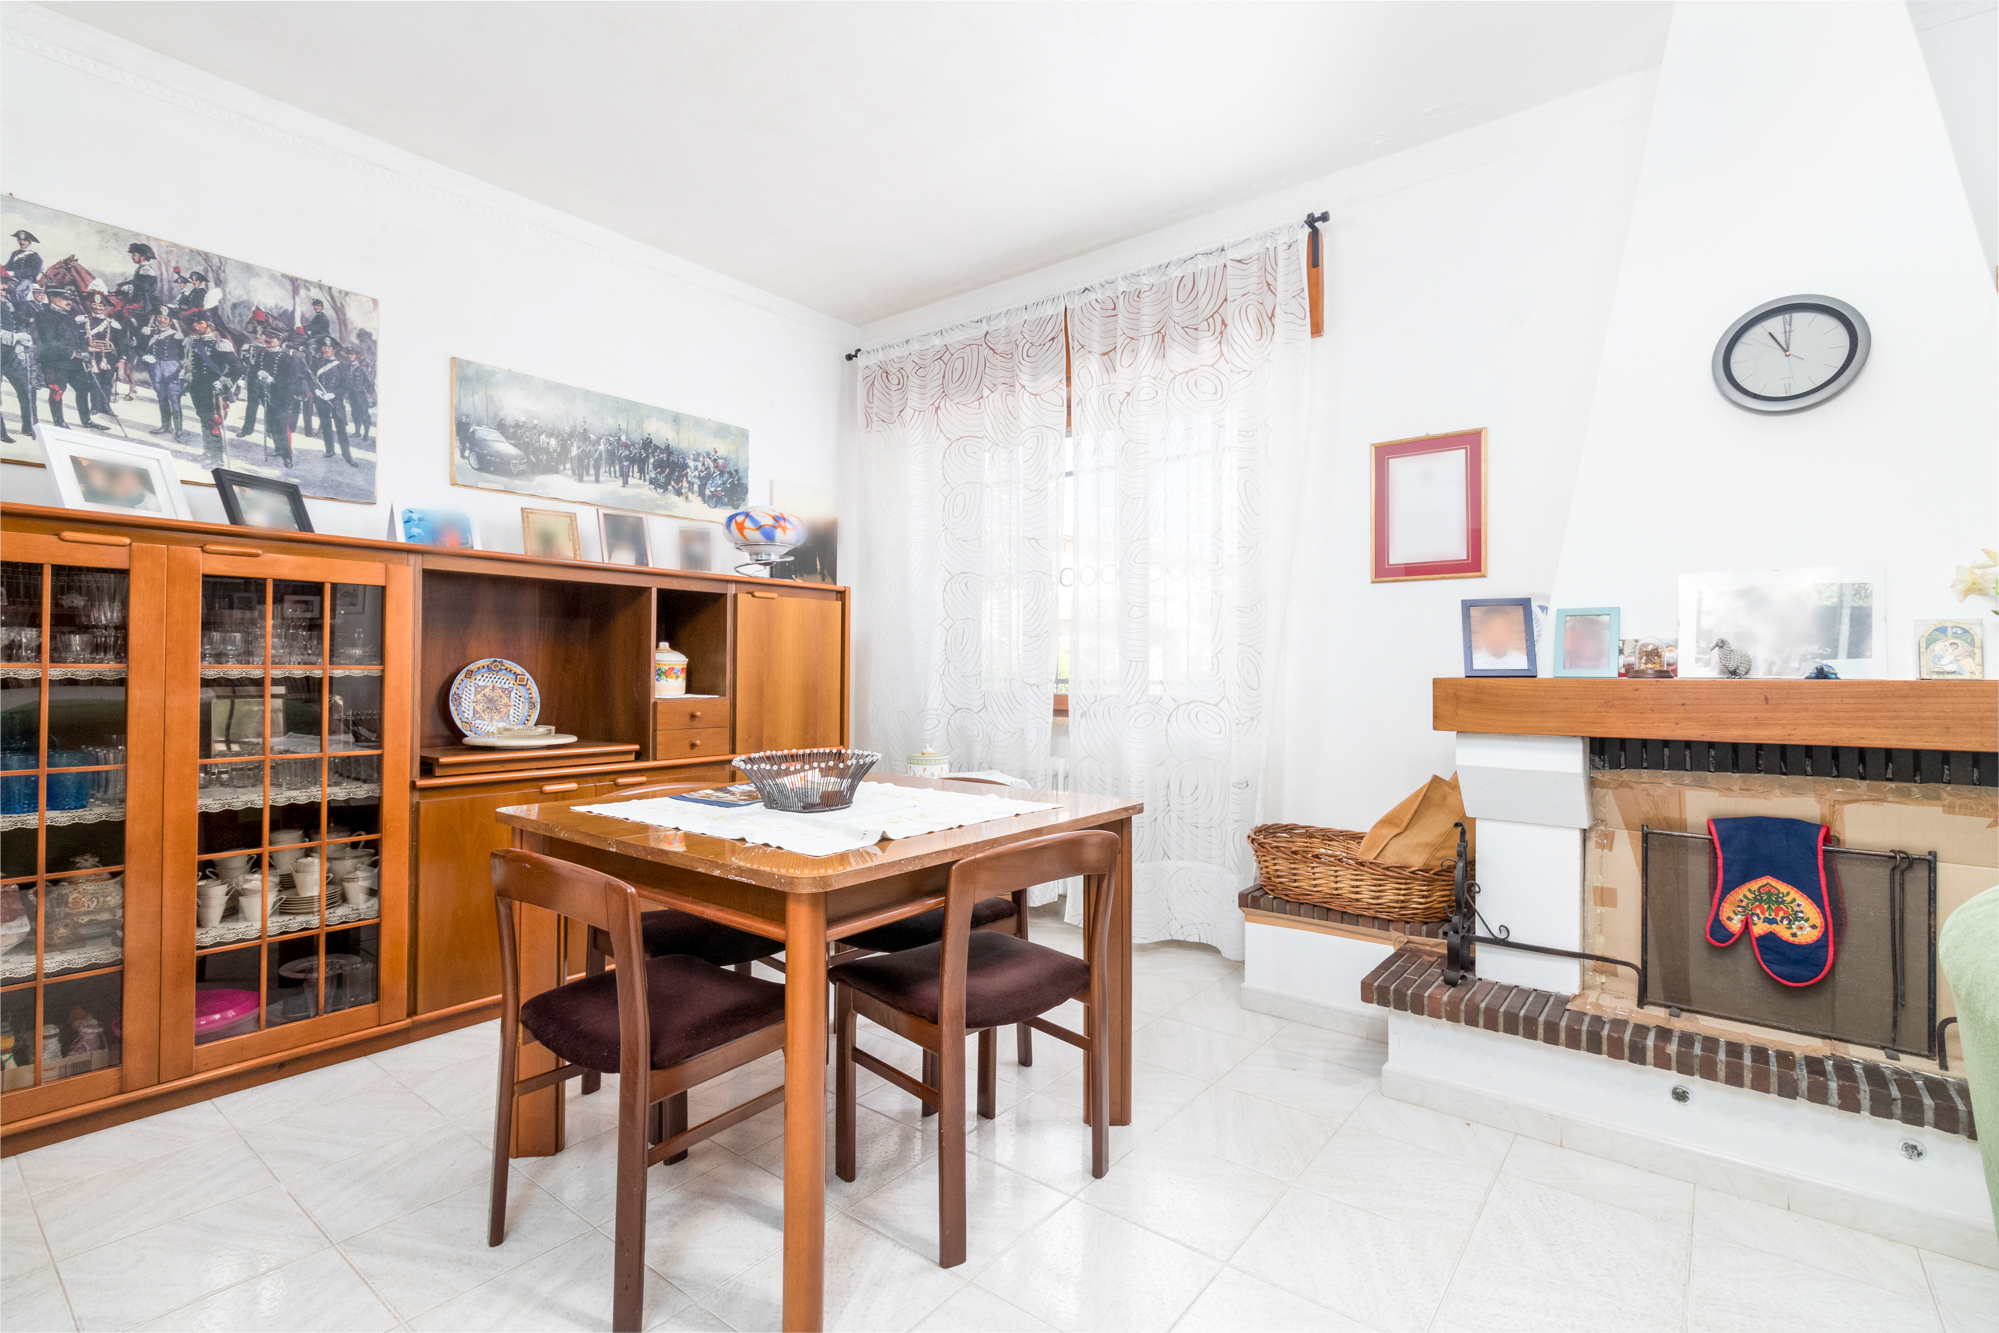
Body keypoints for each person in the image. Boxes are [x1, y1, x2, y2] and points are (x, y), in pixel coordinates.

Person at [34, 287, 102, 431]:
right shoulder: (44, 315)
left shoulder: (70, 315)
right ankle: (59, 422)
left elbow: (79, 337)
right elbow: (49, 341)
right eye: (64, 298)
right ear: (52, 298)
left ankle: (86, 420)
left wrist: (84, 352)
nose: (69, 302)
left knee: (83, 388)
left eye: (69, 299)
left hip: (75, 362)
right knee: (57, 390)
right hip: (54, 362)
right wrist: (73, 353)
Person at [182, 310, 238, 463]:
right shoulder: (193, 342)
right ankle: (208, 452)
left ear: (209, 324)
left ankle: (217, 458)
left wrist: (223, 381)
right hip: (197, 388)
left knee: (213, 422)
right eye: (193, 323)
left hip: (214, 390)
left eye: (199, 322)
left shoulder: (220, 344)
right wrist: (188, 373)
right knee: (203, 419)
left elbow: (238, 368)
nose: (195, 325)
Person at [242, 326, 296, 465]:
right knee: (271, 424)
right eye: (267, 337)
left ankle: (287, 456)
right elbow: (254, 368)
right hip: (267, 394)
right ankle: (278, 449)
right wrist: (258, 375)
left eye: (271, 338)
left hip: (281, 396)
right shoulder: (261, 354)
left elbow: (291, 378)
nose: (267, 340)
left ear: (279, 340)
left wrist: (273, 380)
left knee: (281, 426)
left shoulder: (287, 357)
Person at [137, 307, 184, 441]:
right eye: (160, 317)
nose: (162, 320)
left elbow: (183, 354)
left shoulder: (177, 335)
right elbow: (139, 348)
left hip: (171, 368)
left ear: (170, 321)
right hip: (155, 367)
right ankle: (166, 426)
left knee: (174, 398)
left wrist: (182, 367)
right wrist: (145, 356)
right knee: (161, 396)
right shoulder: (149, 333)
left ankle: (179, 430)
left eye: (165, 318)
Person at [308, 337, 353, 466]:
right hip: (321, 399)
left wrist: (333, 394)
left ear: (333, 350)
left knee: (340, 428)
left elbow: (346, 386)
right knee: (325, 425)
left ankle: (347, 455)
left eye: (329, 347)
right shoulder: (316, 364)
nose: (326, 350)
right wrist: (316, 391)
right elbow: (310, 379)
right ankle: (330, 450)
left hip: (336, 401)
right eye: (324, 347)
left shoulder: (341, 366)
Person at [0, 276, 33, 442]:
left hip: (9, 355)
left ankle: (28, 427)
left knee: (26, 389)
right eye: (2, 284)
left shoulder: (7, 303)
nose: (5, 287)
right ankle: (1, 432)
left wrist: (22, 337)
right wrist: (16, 337)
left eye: (6, 284)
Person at [1468, 603, 1530, 670]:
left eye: (1503, 630)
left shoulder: (1523, 662)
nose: (1499, 636)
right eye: (1493, 630)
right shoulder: (1473, 663)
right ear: (1482, 632)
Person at [341, 345, 374, 444]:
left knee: (364, 414)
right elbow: (344, 381)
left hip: (360, 394)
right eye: (348, 354)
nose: (350, 356)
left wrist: (369, 393)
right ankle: (357, 432)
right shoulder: (346, 367)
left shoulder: (362, 368)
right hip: (351, 394)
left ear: (356, 355)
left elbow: (370, 381)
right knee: (354, 413)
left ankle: (366, 434)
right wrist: (345, 392)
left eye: (352, 354)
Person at [125, 243, 159, 319]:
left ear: (143, 257)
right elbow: (137, 281)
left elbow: (144, 287)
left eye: (134, 255)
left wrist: (130, 287)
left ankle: (132, 325)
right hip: (139, 299)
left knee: (125, 309)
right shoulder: (141, 268)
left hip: (145, 301)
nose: (132, 257)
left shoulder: (145, 269)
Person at [6, 231, 41, 302]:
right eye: (20, 240)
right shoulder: (14, 253)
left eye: (24, 240)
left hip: (28, 279)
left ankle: (22, 306)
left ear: (29, 242)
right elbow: (9, 266)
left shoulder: (34, 255)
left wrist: (15, 273)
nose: (21, 242)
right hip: (15, 279)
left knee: (18, 290)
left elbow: (33, 271)